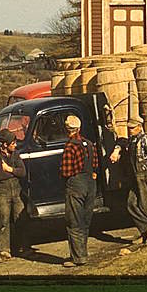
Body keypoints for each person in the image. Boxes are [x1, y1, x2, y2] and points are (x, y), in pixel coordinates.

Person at [110, 117, 147, 252]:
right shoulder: (131, 141)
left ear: (139, 127)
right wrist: (117, 149)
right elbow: (121, 141)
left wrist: (143, 168)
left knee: (144, 203)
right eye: (129, 128)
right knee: (131, 204)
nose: (130, 130)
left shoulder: (145, 139)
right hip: (134, 177)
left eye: (132, 128)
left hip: (142, 176)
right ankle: (146, 229)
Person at [60, 114, 98, 267]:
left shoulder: (70, 146)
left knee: (74, 221)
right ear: (79, 128)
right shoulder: (88, 144)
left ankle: (78, 257)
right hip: (90, 183)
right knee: (85, 220)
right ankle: (83, 252)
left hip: (76, 184)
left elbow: (66, 171)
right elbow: (94, 164)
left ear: (67, 129)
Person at [0, 128, 27, 262]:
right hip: (2, 192)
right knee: (3, 221)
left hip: (16, 190)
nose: (15, 145)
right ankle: (4, 251)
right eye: (12, 143)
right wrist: (14, 172)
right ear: (5, 144)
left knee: (20, 218)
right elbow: (0, 174)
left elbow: (23, 172)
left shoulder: (15, 154)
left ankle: (23, 247)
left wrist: (9, 169)